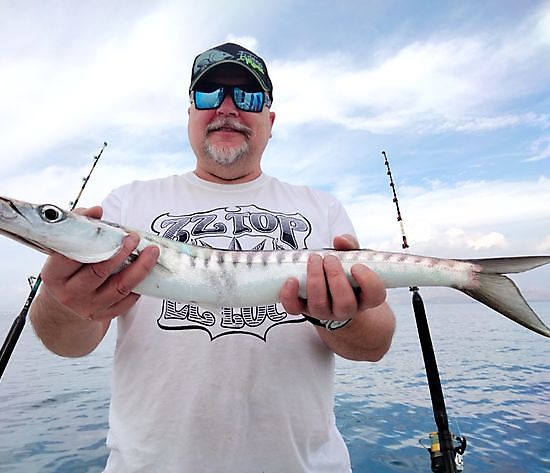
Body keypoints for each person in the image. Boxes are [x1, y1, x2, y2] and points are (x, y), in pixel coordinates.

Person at [30, 42, 396, 473]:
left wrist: (341, 317)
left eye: (248, 96)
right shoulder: (125, 205)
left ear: (270, 121)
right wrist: (63, 300)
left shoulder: (322, 208)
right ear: (190, 114)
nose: (227, 108)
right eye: (209, 95)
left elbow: (375, 344)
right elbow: (65, 344)